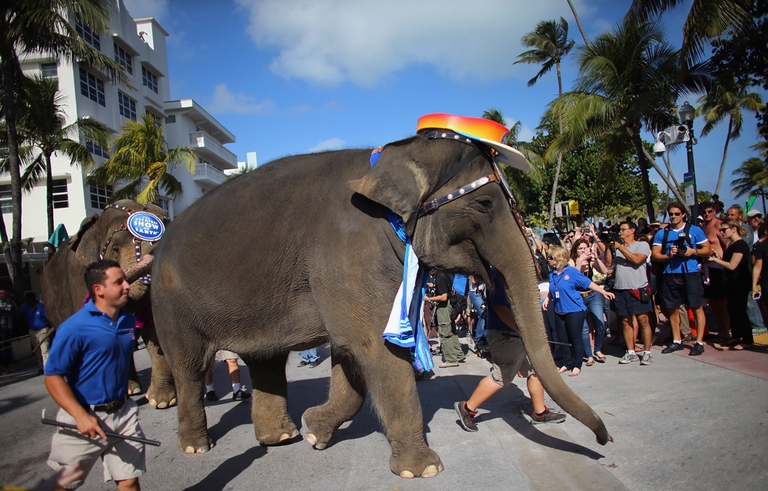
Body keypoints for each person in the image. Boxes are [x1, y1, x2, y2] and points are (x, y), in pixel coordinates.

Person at [44, 260, 145, 490]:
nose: (127, 285)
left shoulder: (128, 320)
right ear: (98, 290)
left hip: (123, 413)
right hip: (85, 416)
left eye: (125, 280)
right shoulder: (74, 327)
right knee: (64, 484)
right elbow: (52, 377)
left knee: (129, 481)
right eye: (119, 282)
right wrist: (80, 415)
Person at [454, 266, 566, 432]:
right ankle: (467, 408)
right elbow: (500, 308)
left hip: (517, 333)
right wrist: (520, 331)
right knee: (501, 376)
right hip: (506, 334)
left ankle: (540, 412)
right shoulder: (500, 274)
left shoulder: (509, 272)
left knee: (535, 369)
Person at [543, 245, 615, 376]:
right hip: (559, 310)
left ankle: (577, 365)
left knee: (575, 338)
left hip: (574, 310)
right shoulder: (552, 274)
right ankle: (566, 363)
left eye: (551, 257)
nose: (549, 259)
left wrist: (603, 292)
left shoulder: (572, 272)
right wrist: (548, 299)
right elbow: (553, 288)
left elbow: (588, 283)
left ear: (559, 258)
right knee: (562, 338)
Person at [651, 202, 711, 356]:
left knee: (696, 306)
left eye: (677, 214)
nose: (673, 217)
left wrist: (693, 251)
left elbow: (707, 250)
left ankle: (699, 341)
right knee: (672, 308)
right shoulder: (662, 233)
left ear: (683, 214)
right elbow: (655, 254)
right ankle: (677, 340)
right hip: (670, 273)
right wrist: (668, 255)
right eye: (671, 214)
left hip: (691, 273)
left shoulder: (694, 230)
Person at [611, 221, 654, 365]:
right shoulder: (618, 247)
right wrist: (610, 246)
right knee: (625, 321)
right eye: (620, 230)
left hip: (637, 288)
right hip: (620, 288)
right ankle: (630, 352)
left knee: (643, 320)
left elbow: (637, 260)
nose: (621, 233)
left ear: (632, 231)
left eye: (623, 230)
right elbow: (609, 262)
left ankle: (647, 352)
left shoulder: (642, 245)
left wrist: (621, 248)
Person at [708, 220, 754, 350]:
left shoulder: (740, 245)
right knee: (732, 309)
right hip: (731, 281)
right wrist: (719, 257)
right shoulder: (731, 244)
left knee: (740, 310)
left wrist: (715, 260)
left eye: (724, 230)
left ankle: (747, 339)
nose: (722, 232)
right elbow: (728, 263)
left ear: (734, 229)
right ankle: (736, 335)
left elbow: (733, 265)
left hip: (740, 281)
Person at [568, 237, 608, 366]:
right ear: (575, 250)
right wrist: (580, 261)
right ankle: (589, 355)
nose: (583, 251)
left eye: (585, 248)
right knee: (584, 328)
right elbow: (574, 276)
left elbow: (605, 271)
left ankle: (598, 349)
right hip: (578, 297)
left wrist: (596, 259)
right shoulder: (572, 261)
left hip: (592, 295)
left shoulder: (590, 261)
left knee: (600, 322)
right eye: (580, 249)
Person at [425, 271, 465, 368]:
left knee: (445, 333)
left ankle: (451, 359)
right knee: (452, 331)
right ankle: (458, 354)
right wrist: (431, 285)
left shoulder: (439, 277)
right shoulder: (444, 274)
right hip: (450, 304)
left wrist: (429, 299)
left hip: (444, 307)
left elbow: (443, 297)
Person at [19, 291, 52, 375]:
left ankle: (47, 369)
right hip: (33, 331)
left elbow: (49, 318)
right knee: (37, 351)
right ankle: (41, 367)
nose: (25, 301)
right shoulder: (27, 307)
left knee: (44, 350)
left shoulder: (41, 307)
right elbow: (18, 312)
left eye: (26, 300)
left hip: (43, 330)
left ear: (30, 300)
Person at [0, 288, 15, 374]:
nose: (3, 295)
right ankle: (3, 363)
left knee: (8, 343)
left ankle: (10, 359)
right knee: (2, 345)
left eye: (4, 293)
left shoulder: (9, 302)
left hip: (9, 325)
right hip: (2, 326)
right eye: (1, 294)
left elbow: (13, 311)